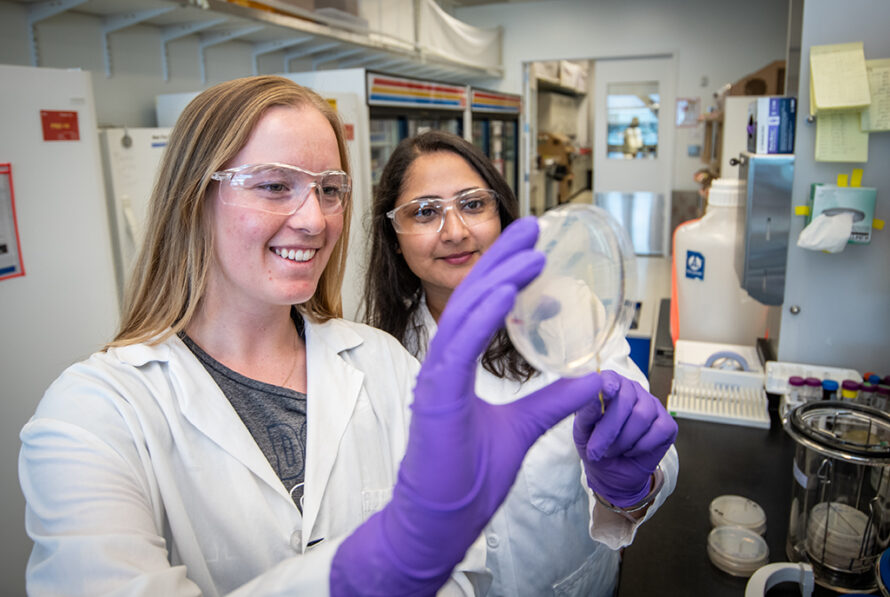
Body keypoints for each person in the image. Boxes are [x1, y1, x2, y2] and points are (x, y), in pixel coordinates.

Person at [18, 76, 623, 596]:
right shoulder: (92, 413)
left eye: (330, 188)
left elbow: (464, 575)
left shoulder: (383, 363)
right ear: (193, 198)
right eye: (274, 184)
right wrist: (383, 560)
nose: (313, 219)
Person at [363, 130, 679, 597]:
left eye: (472, 204)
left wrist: (631, 487)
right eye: (425, 212)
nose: (455, 232)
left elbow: (654, 449)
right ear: (394, 237)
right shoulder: (378, 354)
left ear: (501, 215)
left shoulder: (570, 312)